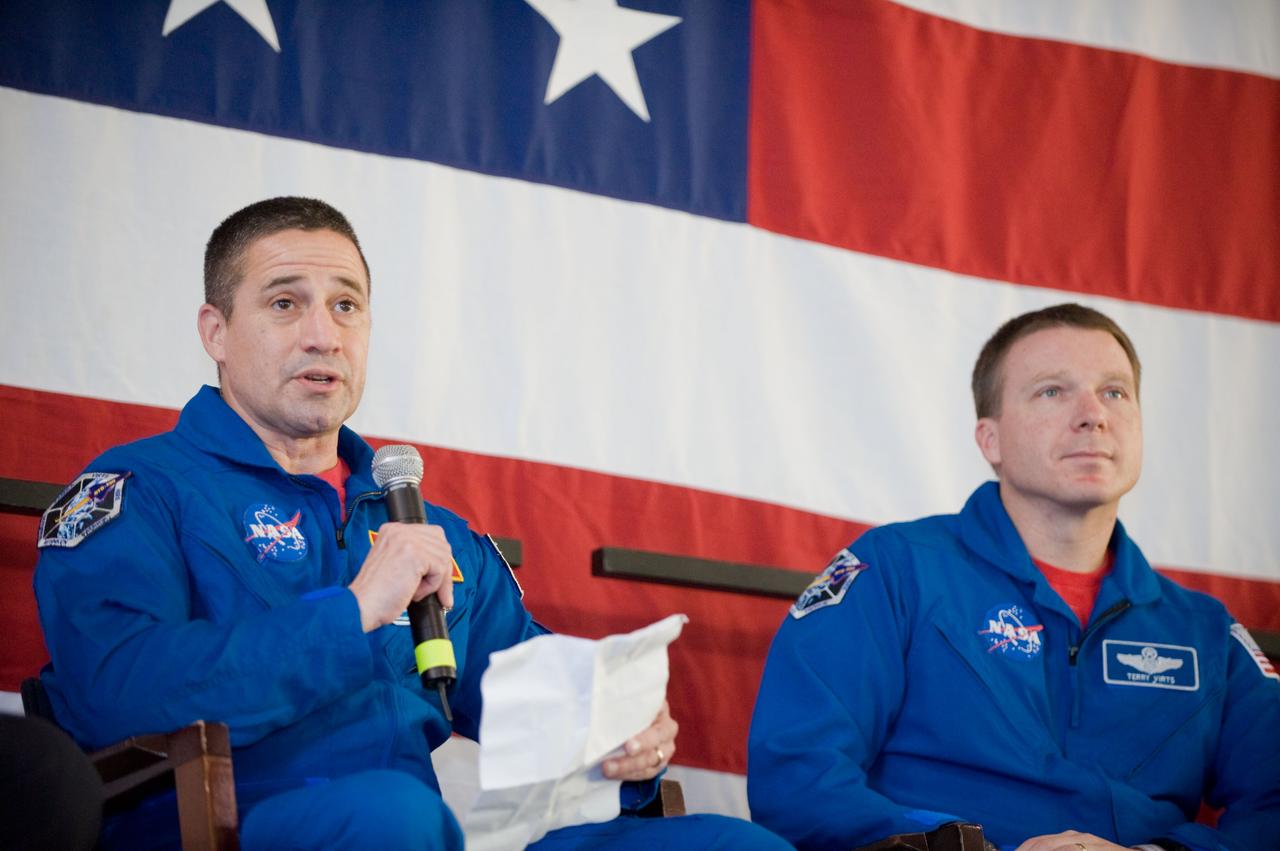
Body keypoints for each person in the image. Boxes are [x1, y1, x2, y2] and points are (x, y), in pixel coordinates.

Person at [34, 196, 791, 851]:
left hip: (417, 830)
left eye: (347, 305)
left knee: (732, 840)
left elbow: (526, 698)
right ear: (216, 332)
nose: (324, 335)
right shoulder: (139, 491)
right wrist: (353, 611)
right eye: (284, 303)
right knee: (394, 813)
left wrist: (622, 737)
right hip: (226, 827)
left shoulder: (430, 529)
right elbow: (112, 689)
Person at [747, 304, 1280, 851]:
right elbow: (796, 776)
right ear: (990, 440)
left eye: (1115, 392)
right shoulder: (896, 571)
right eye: (1052, 391)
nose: (1092, 414)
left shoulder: (1204, 632)